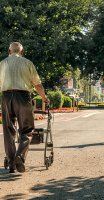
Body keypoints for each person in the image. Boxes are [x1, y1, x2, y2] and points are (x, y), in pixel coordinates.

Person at [0, 42, 49, 173]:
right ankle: (20, 157)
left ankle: (11, 164)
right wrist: (44, 98)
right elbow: (37, 85)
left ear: (9, 51)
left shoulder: (2, 63)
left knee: (8, 131)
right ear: (22, 51)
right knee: (27, 129)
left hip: (5, 97)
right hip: (22, 96)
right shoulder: (28, 63)